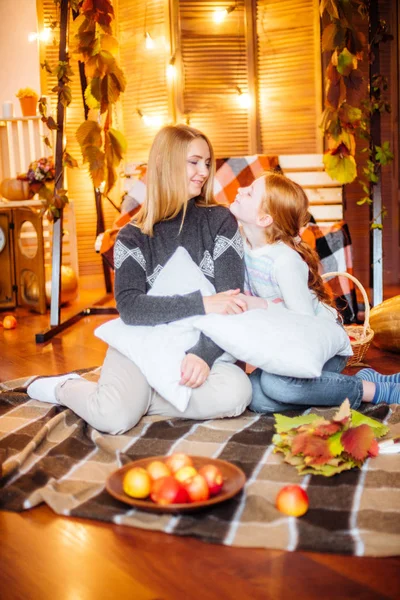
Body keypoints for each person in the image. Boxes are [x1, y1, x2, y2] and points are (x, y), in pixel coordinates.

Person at [27, 124, 252, 433]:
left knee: (237, 393)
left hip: (197, 344)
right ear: (166, 164)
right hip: (141, 343)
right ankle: (65, 388)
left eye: (207, 163)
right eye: (194, 162)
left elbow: (232, 302)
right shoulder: (132, 236)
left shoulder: (220, 220)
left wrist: (203, 355)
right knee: (114, 419)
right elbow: (131, 308)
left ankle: (137, 398)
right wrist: (203, 303)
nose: (204, 171)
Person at [229, 171, 400, 413]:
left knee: (278, 385)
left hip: (320, 346)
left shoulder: (283, 261)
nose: (240, 190)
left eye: (250, 192)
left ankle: (374, 390)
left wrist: (263, 306)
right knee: (256, 397)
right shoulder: (243, 245)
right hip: (286, 349)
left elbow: (306, 325)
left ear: (265, 219)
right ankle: (356, 381)